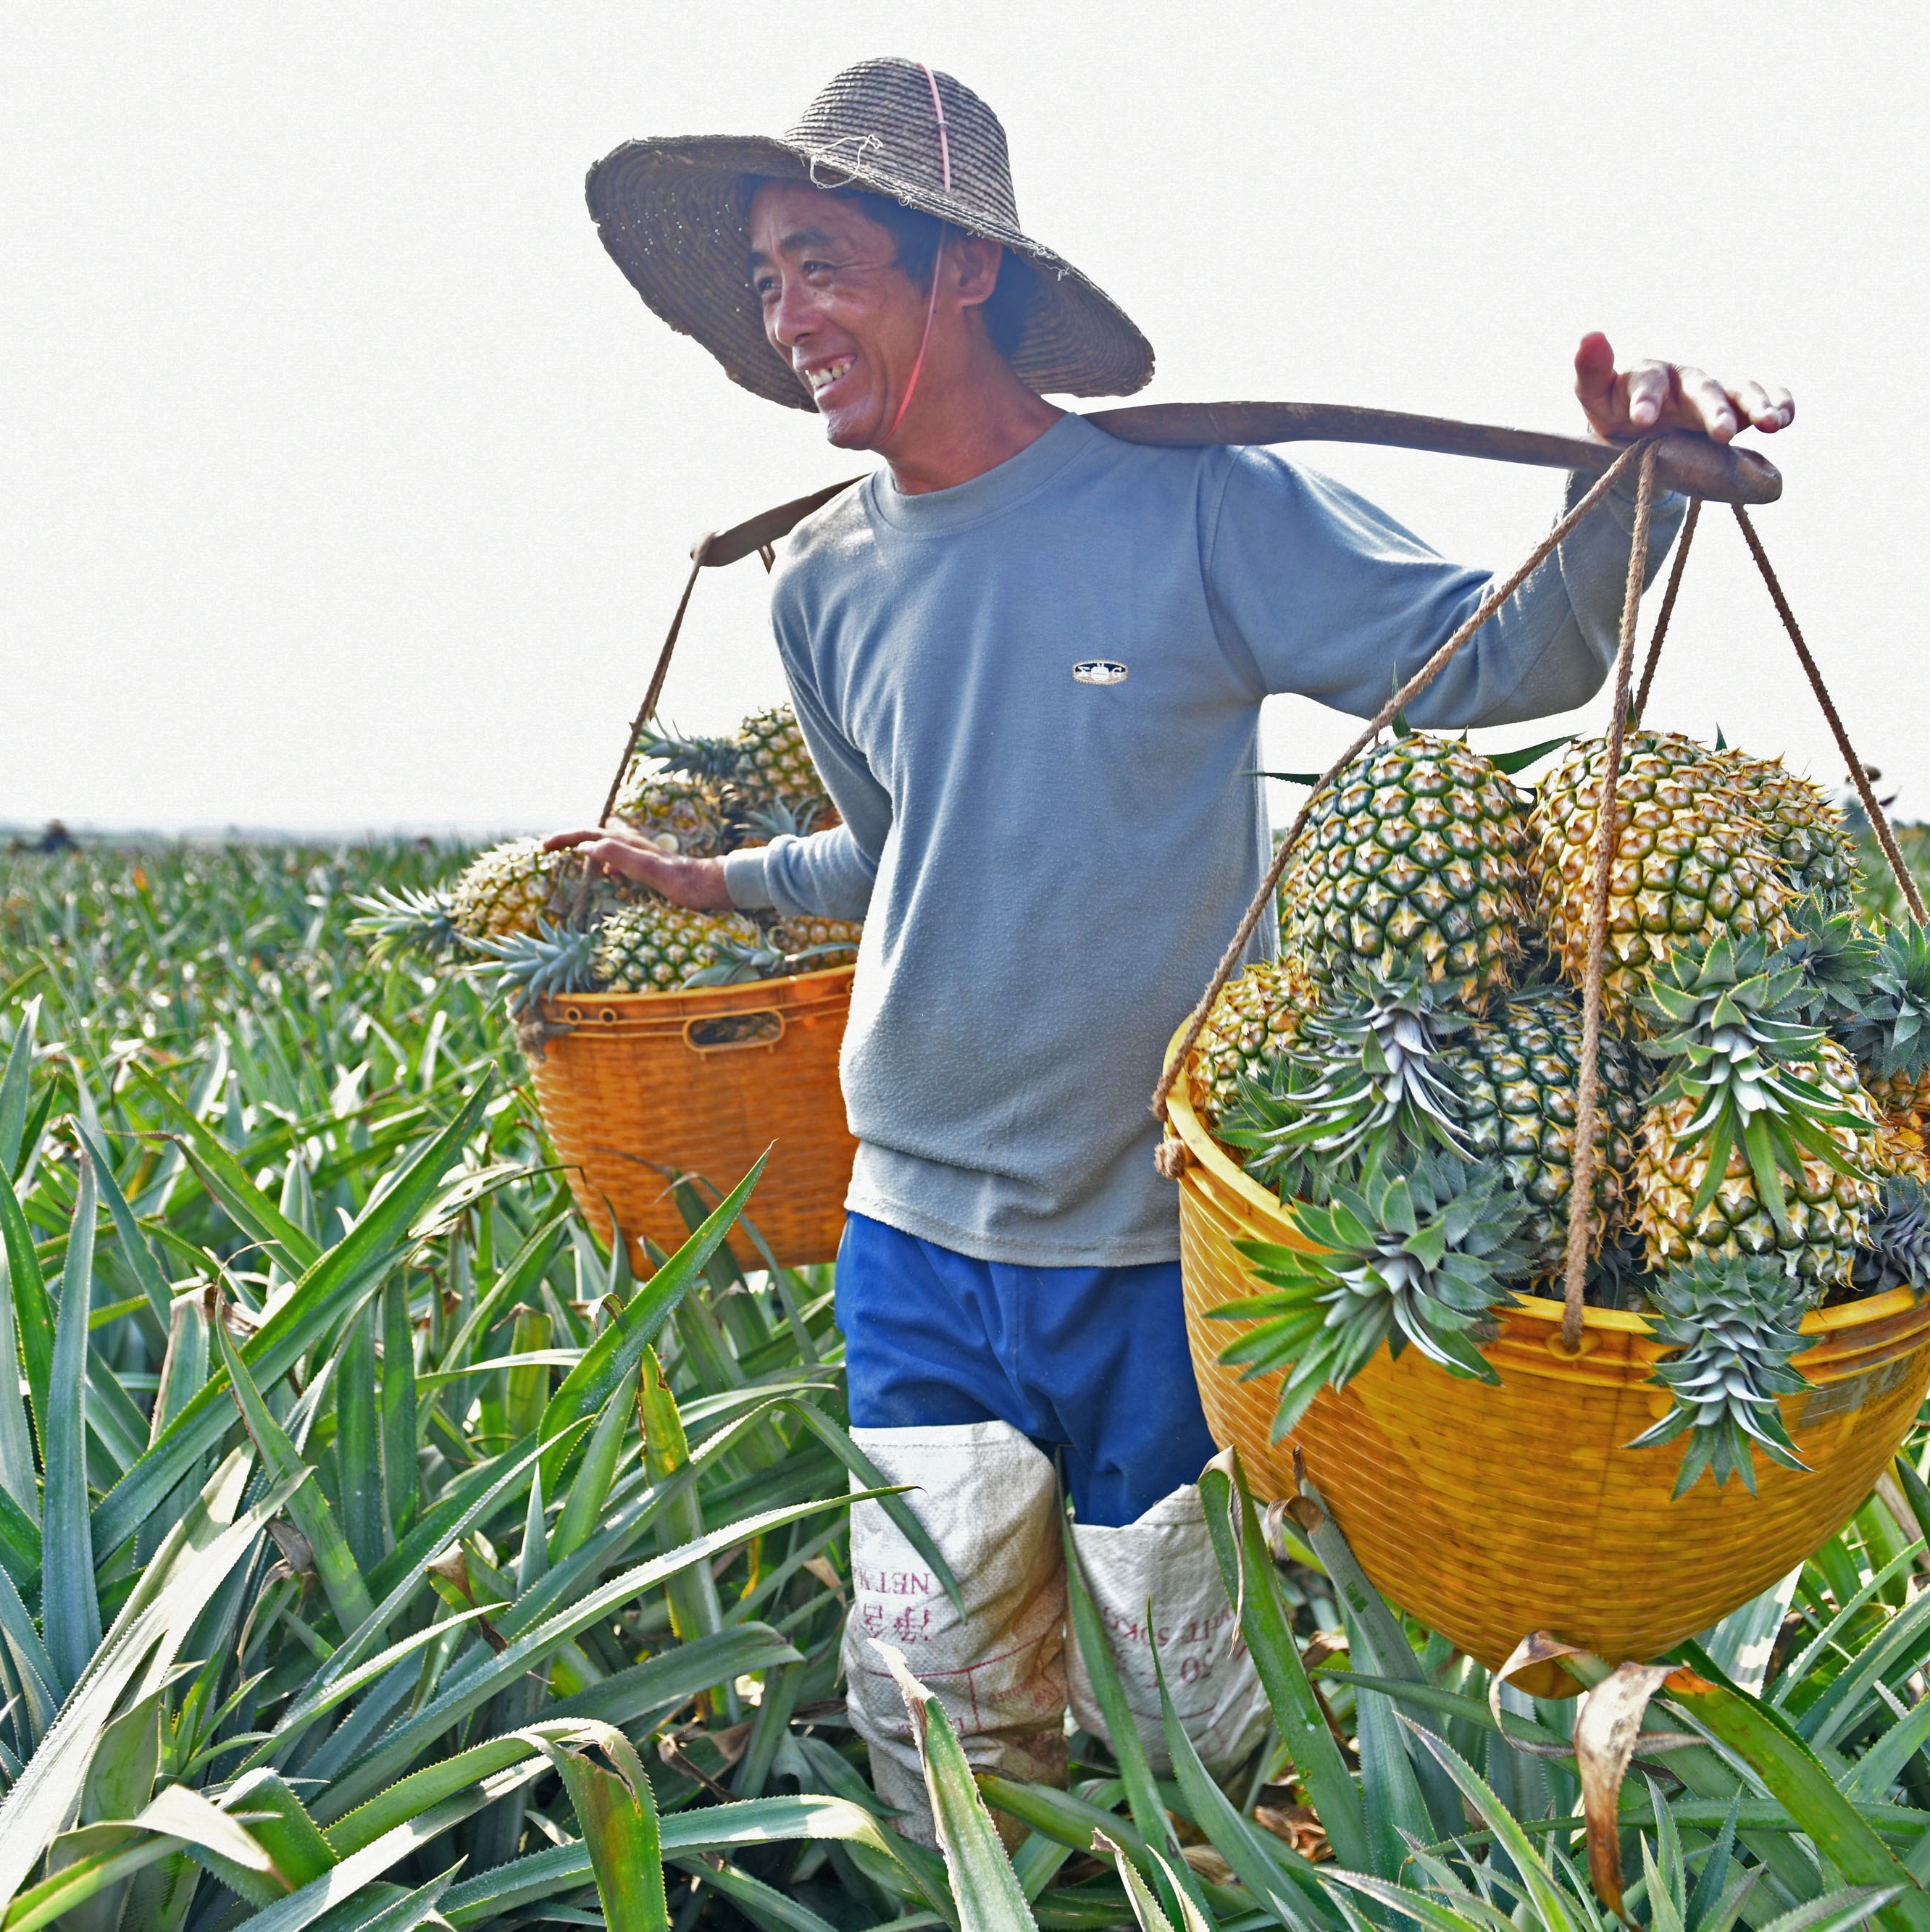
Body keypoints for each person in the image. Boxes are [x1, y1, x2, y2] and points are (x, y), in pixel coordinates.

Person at [558, 58, 1792, 1834]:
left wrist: (1629, 491)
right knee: (940, 1696)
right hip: (908, 1225)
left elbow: (1502, 662)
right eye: (764, 278)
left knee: (1186, 1684)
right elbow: (906, 846)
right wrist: (716, 881)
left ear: (962, 269)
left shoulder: (1203, 512)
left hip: (1149, 1227)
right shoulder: (819, 582)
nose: (783, 317)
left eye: (821, 261)